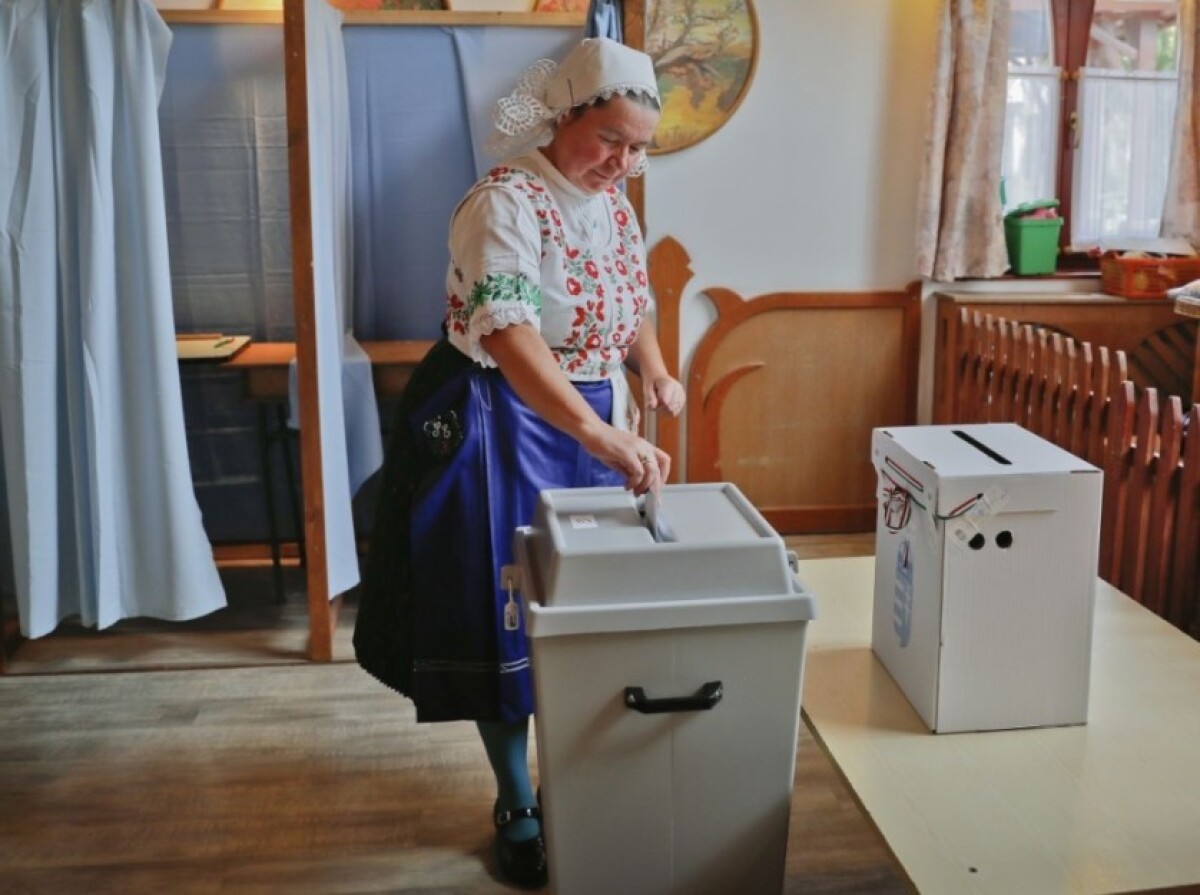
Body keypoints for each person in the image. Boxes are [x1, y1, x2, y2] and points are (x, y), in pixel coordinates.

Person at [353, 37, 684, 890]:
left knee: (585, 611)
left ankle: (581, 774)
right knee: (506, 612)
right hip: (502, 419)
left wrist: (651, 365)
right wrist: (598, 434)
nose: (625, 161)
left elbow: (633, 294)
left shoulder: (612, 202)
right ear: (563, 116)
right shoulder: (503, 202)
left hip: (587, 417)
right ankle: (517, 798)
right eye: (611, 138)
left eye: (640, 145)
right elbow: (509, 331)